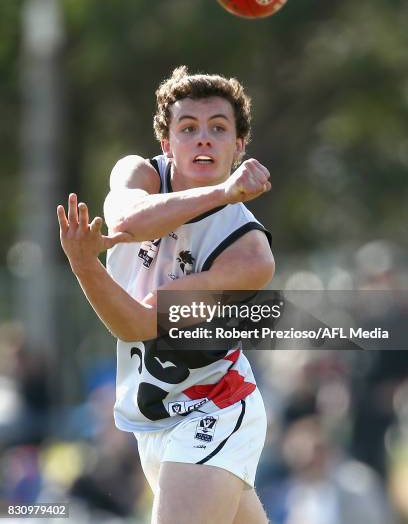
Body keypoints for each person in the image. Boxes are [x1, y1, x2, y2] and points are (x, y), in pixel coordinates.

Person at [57, 66, 275, 524]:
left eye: (219, 129)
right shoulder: (137, 174)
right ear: (166, 144)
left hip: (213, 404)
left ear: (239, 147)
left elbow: (139, 323)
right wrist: (222, 191)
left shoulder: (249, 254)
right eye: (188, 128)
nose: (203, 139)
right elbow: (127, 223)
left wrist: (82, 262)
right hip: (153, 416)